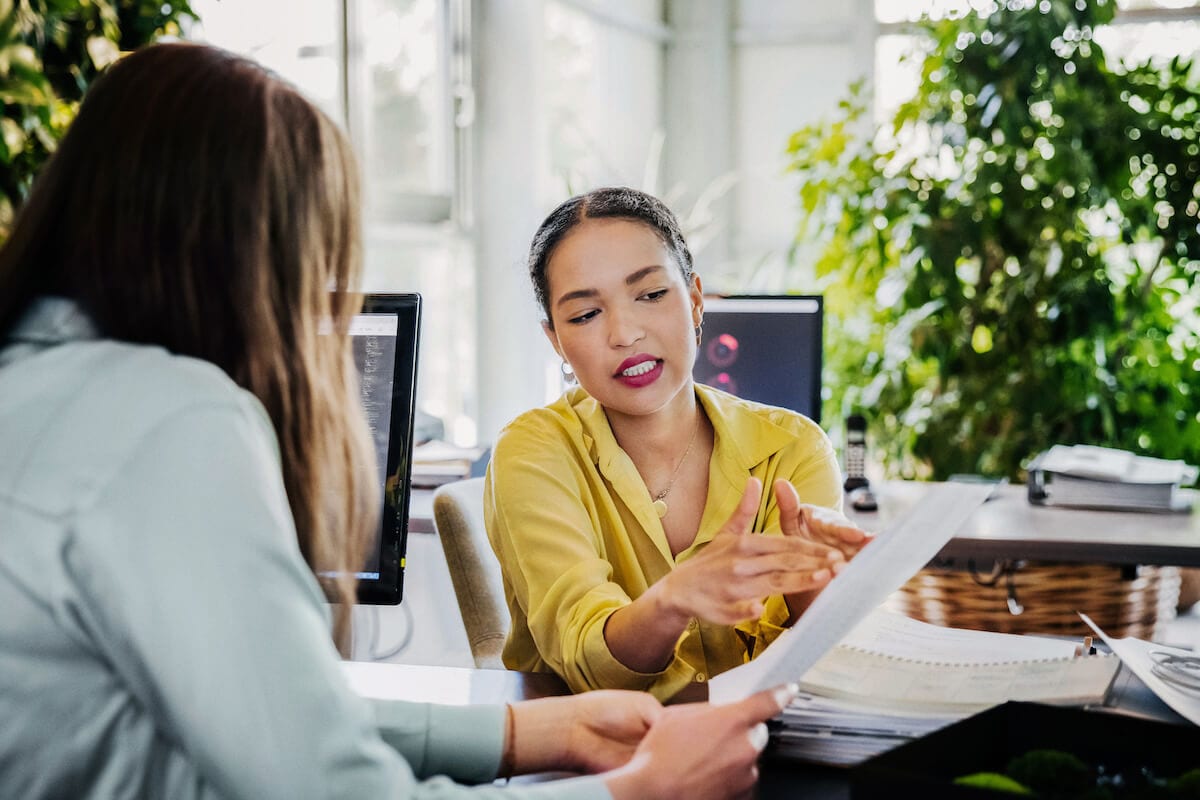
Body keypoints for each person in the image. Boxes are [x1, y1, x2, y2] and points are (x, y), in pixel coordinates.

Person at [0, 44, 796, 800]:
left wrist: (520, 734)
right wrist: (633, 792)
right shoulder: (170, 421)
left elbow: (284, 714)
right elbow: (328, 786)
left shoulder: (35, 384)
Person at [485, 187, 872, 700]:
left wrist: (816, 590)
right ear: (556, 339)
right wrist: (673, 600)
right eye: (584, 315)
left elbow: (810, 673)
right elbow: (585, 665)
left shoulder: (793, 448)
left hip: (768, 752)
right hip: (591, 763)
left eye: (650, 295)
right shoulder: (533, 451)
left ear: (694, 300)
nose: (624, 334)